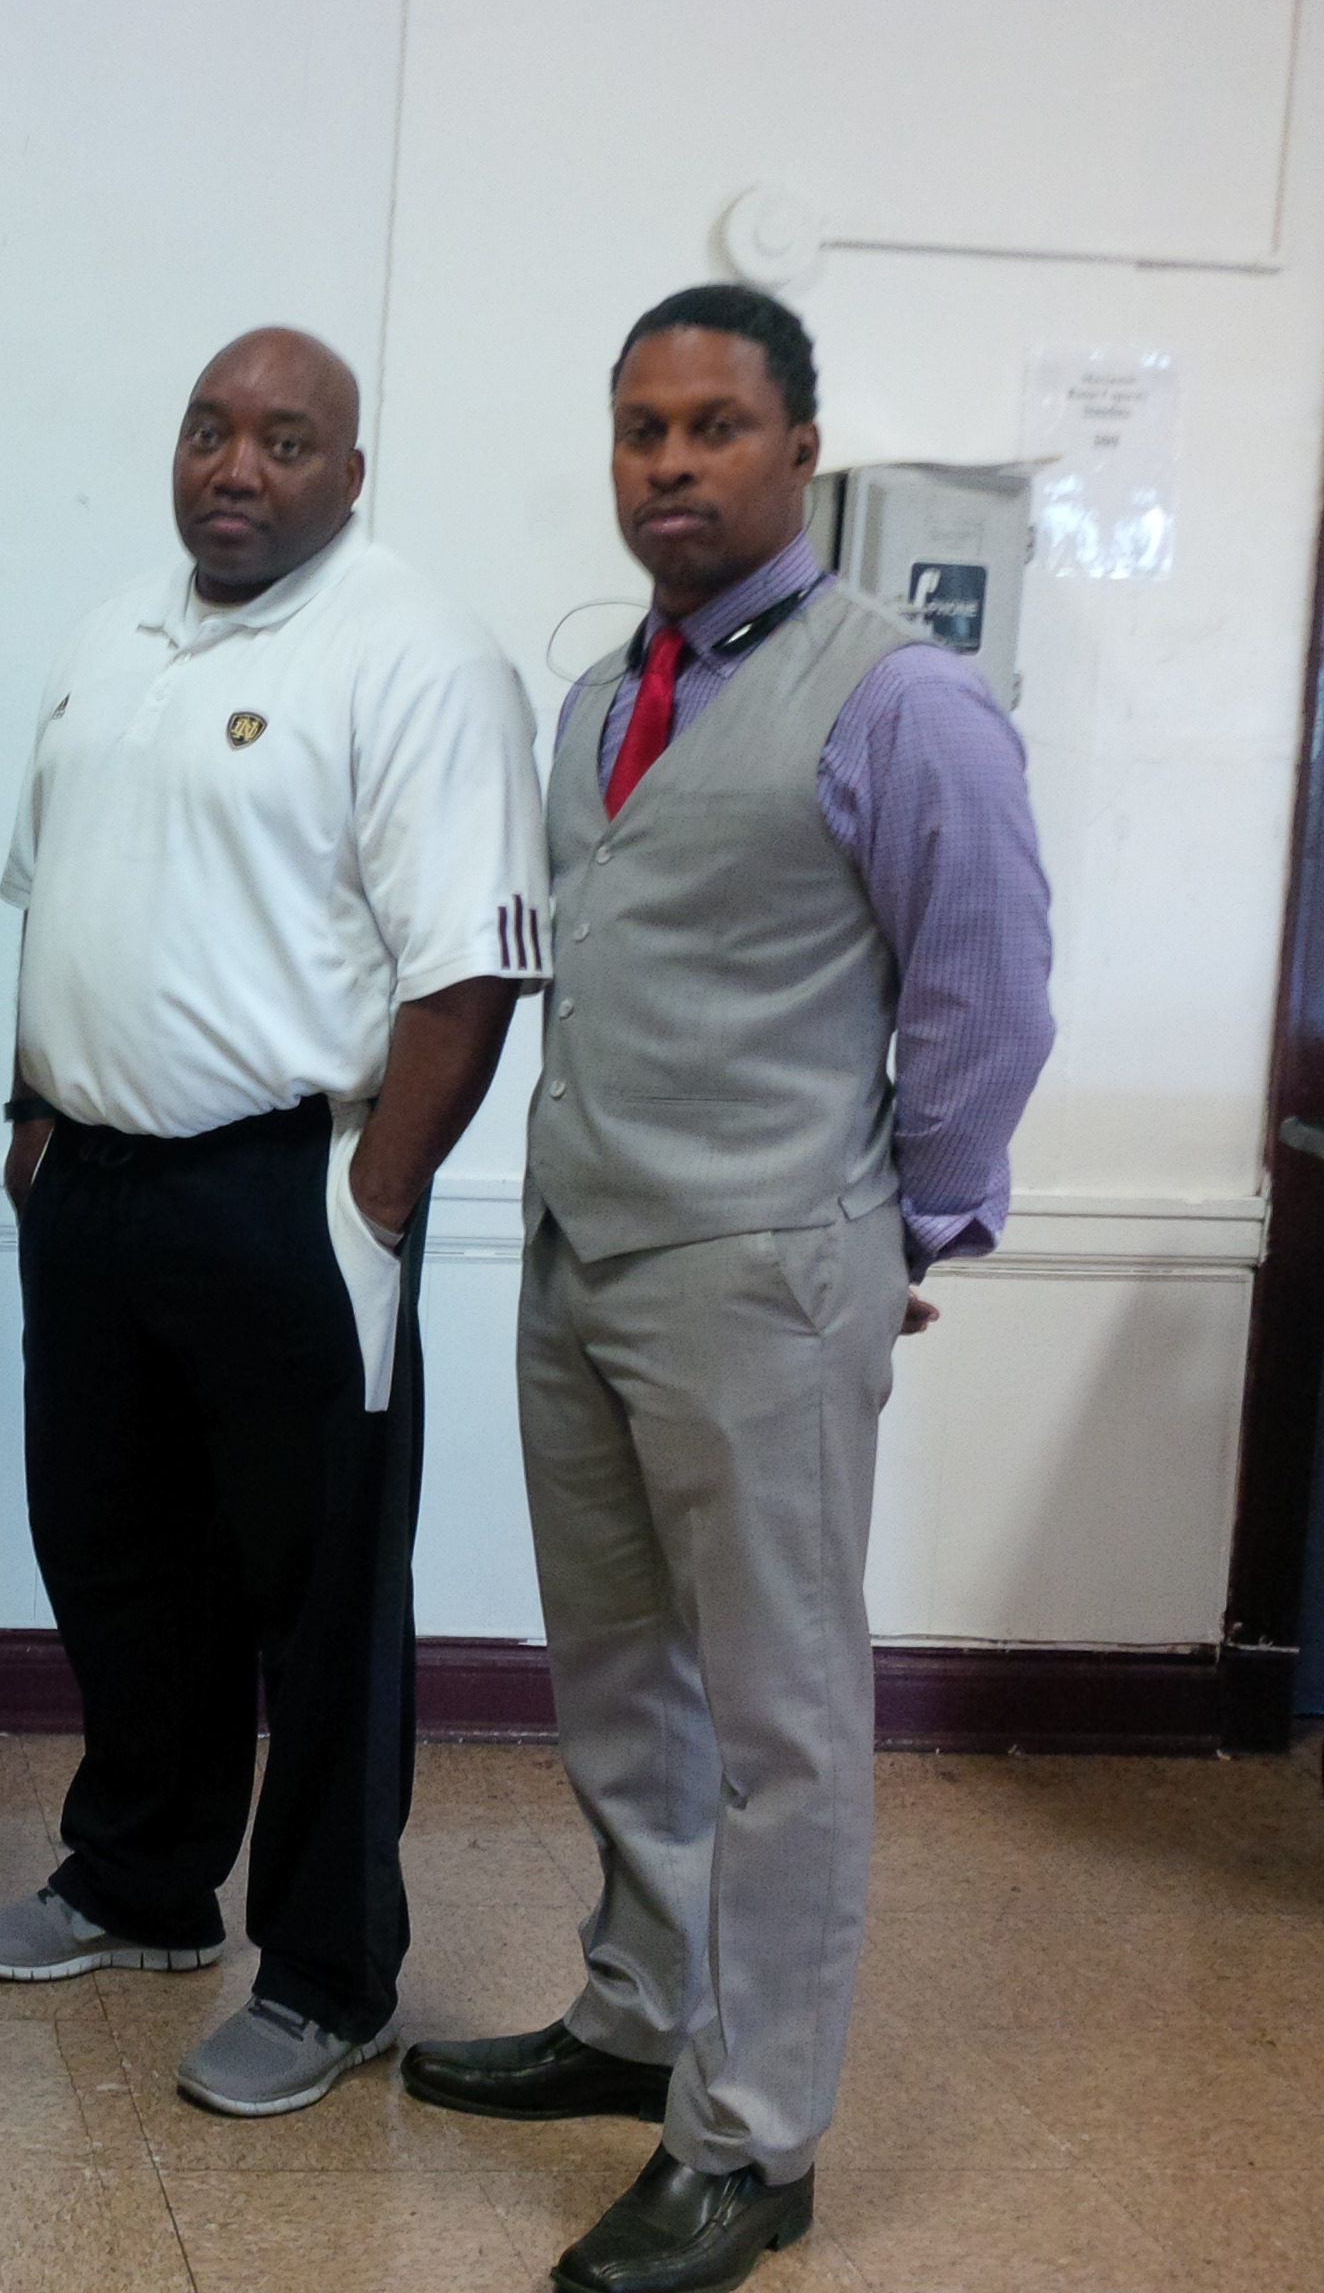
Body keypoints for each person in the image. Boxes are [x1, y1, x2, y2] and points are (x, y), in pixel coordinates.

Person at [399, 286, 1054, 2293]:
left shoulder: (902, 701)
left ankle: (754, 2139)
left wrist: (903, 1227)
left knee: (779, 1721)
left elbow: (988, 997)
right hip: (590, 1256)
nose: (668, 464)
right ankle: (633, 2014)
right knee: (622, 1676)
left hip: (763, 1271)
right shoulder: (610, 692)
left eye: (712, 428)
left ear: (798, 451)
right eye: (638, 431)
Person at [0, 329, 549, 2117]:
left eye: (286, 442)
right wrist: (33, 1117)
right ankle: (141, 1885)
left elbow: (469, 970)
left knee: (324, 1599)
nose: (236, 466)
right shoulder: (117, 633)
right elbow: (44, 892)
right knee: (120, 1554)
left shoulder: (418, 652)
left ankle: (332, 1968)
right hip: (98, 1189)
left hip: (290, 1190)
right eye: (210, 429)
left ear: (348, 475)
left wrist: (370, 1205)